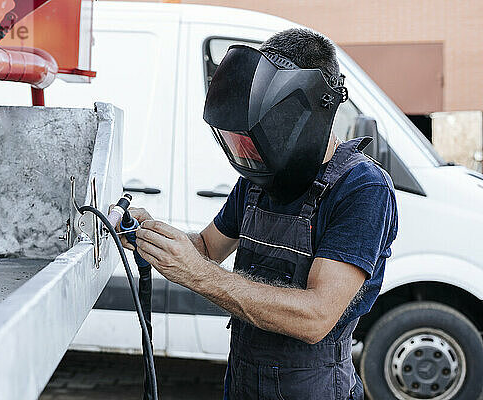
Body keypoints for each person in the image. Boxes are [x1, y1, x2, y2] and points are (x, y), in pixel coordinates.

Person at [121, 28, 398, 400]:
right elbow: (205, 247)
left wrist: (198, 275)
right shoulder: (263, 176)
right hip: (242, 383)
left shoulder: (362, 188)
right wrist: (152, 235)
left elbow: (316, 316)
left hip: (313, 389)